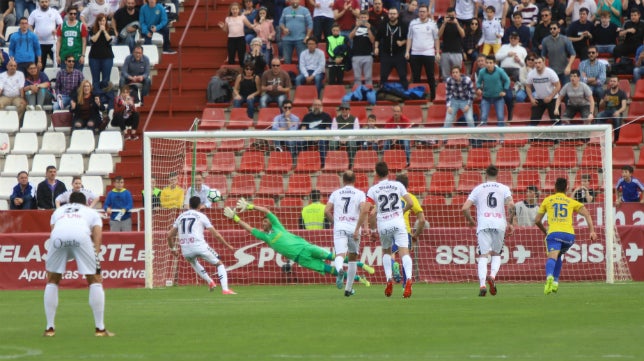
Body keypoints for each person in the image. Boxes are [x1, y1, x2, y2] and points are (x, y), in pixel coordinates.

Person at [226, 197, 373, 285]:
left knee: (334, 257)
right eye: (262, 223)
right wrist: (236, 218)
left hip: (306, 247)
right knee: (330, 270)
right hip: (300, 258)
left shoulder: (277, 226)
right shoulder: (265, 237)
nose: (263, 223)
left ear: (270, 222)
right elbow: (249, 228)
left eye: (265, 222)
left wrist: (251, 207)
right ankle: (360, 278)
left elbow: (266, 211)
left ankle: (360, 264)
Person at [44, 192, 114, 337]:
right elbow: (97, 235)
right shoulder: (90, 211)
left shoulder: (58, 211)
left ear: (69, 202)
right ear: (86, 203)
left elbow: (54, 231)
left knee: (52, 280)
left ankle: (49, 328)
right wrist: (95, 255)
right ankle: (100, 329)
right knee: (95, 280)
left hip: (57, 238)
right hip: (81, 236)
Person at [355, 161, 415, 298]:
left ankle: (389, 279)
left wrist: (371, 229)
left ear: (376, 174)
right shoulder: (398, 185)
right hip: (399, 223)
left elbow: (367, 210)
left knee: (387, 252)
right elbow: (410, 203)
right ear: (389, 172)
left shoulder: (373, 189)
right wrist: (400, 211)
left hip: (384, 225)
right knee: (404, 252)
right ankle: (409, 279)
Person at [535, 177, 597, 295]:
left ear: (554, 188)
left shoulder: (548, 200)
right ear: (567, 188)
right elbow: (587, 214)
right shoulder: (571, 202)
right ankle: (556, 282)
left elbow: (537, 220)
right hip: (569, 236)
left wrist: (545, 231)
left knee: (552, 256)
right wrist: (592, 231)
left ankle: (549, 277)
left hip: (554, 233)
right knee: (559, 255)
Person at [461, 165, 515, 297]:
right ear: (497, 175)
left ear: (485, 175)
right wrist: (511, 222)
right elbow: (512, 205)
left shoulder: (478, 189)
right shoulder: (504, 188)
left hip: (484, 224)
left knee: (483, 255)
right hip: (499, 224)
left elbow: (464, 208)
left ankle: (482, 284)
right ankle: (492, 276)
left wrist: (471, 220)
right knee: (496, 253)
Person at [167, 196, 236, 294]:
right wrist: (227, 245)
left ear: (189, 205)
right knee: (219, 263)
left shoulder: (181, 216)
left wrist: (173, 249)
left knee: (193, 262)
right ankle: (225, 289)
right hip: (199, 245)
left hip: (185, 249)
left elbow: (169, 235)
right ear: (199, 205)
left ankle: (210, 282)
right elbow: (216, 234)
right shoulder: (201, 216)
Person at [325, 171, 368, 295]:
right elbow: (364, 210)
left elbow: (326, 211)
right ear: (355, 181)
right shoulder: (360, 193)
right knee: (353, 257)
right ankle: (348, 289)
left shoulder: (335, 193)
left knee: (340, 254)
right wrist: (365, 227)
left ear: (343, 180)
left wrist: (335, 222)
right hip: (354, 228)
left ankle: (339, 270)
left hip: (340, 227)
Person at [392, 173, 425, 286]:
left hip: (390, 229)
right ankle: (405, 286)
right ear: (407, 185)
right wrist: (415, 235)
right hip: (404, 231)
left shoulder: (390, 195)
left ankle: (393, 264)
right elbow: (422, 220)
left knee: (390, 253)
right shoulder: (411, 197)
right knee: (405, 257)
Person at [406, 5, 439, 100]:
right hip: (415, 54)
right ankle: (417, 97)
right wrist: (407, 51)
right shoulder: (413, 23)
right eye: (420, 11)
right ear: (418, 12)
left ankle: (433, 97)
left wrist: (437, 52)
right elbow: (409, 38)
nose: (422, 13)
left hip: (429, 53)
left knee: (430, 77)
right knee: (416, 77)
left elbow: (436, 39)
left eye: (424, 11)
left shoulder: (432, 24)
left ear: (428, 12)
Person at [374, 7, 408, 89]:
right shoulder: (383, 25)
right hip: (386, 55)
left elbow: (409, 39)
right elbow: (377, 38)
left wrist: (403, 42)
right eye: (390, 14)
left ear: (397, 15)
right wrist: (376, 48)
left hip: (399, 55)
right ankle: (381, 94)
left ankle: (406, 95)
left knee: (403, 76)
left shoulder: (403, 25)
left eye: (394, 14)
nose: (392, 15)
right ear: (388, 15)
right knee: (383, 76)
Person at [526, 55, 561, 126]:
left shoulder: (550, 72)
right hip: (538, 99)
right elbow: (528, 87)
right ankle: (532, 137)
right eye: (536, 63)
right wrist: (531, 98)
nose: (537, 65)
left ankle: (560, 137)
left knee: (556, 121)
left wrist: (550, 97)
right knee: (533, 121)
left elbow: (558, 86)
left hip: (553, 99)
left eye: (539, 62)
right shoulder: (531, 74)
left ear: (544, 62)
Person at [476, 55, 510, 126]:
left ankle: (501, 136)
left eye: (490, 63)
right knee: (483, 117)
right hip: (486, 98)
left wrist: (504, 90)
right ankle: (484, 136)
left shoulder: (500, 71)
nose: (488, 64)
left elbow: (507, 80)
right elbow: (478, 82)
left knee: (500, 117)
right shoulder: (481, 72)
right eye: (487, 63)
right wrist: (478, 88)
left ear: (494, 63)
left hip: (498, 98)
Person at [28, 0, 62, 68]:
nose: (44, 4)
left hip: (53, 42)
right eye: (42, 2)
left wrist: (56, 30)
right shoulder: (34, 12)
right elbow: (29, 24)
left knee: (58, 64)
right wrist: (33, 34)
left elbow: (61, 24)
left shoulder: (54, 12)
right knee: (40, 66)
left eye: (46, 2)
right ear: (39, 3)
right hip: (39, 43)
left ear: (49, 2)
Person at [88, 13, 116, 94]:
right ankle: (97, 97)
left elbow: (111, 41)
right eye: (100, 20)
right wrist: (100, 31)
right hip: (94, 57)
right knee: (95, 80)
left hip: (107, 57)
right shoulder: (92, 30)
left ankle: (105, 96)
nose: (102, 22)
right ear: (97, 21)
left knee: (105, 80)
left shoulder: (110, 30)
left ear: (106, 21)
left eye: (103, 20)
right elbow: (92, 41)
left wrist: (104, 31)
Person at [300, 98, 332, 167]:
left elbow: (328, 130)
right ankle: (302, 162)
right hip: (309, 136)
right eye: (315, 105)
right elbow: (303, 128)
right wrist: (308, 136)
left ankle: (322, 164)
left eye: (318, 105)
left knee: (322, 142)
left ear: (321, 106)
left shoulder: (326, 116)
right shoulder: (307, 116)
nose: (317, 107)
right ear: (312, 106)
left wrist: (319, 136)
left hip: (321, 137)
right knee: (300, 141)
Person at [596, 75, 627, 142]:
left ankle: (616, 139)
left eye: (614, 81)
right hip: (607, 111)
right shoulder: (606, 92)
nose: (612, 82)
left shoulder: (622, 93)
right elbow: (600, 106)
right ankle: (602, 136)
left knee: (617, 117)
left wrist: (618, 112)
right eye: (611, 81)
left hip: (617, 111)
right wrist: (604, 101)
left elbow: (624, 107)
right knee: (598, 116)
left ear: (618, 83)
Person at [55, 6, 86, 70]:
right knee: (64, 78)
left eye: (75, 14)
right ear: (67, 14)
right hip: (64, 56)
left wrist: (83, 55)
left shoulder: (81, 26)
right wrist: (57, 55)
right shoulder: (62, 26)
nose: (73, 15)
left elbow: (84, 42)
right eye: (71, 13)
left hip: (77, 56)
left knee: (78, 78)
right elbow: (58, 41)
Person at [330, 102, 360, 169]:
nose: (344, 110)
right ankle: (336, 164)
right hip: (339, 138)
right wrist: (339, 139)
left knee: (352, 144)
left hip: (350, 138)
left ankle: (350, 164)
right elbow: (333, 131)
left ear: (349, 110)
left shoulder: (355, 119)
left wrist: (347, 139)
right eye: (342, 109)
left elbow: (356, 132)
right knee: (332, 144)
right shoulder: (336, 119)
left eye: (346, 109)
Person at [439, 7, 465, 81]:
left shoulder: (459, 23)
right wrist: (444, 23)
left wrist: (456, 24)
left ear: (455, 15)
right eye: (449, 15)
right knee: (445, 75)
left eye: (452, 15)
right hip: (445, 52)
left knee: (457, 74)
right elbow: (438, 35)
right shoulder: (443, 23)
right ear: (446, 15)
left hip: (457, 52)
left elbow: (463, 35)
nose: (451, 17)